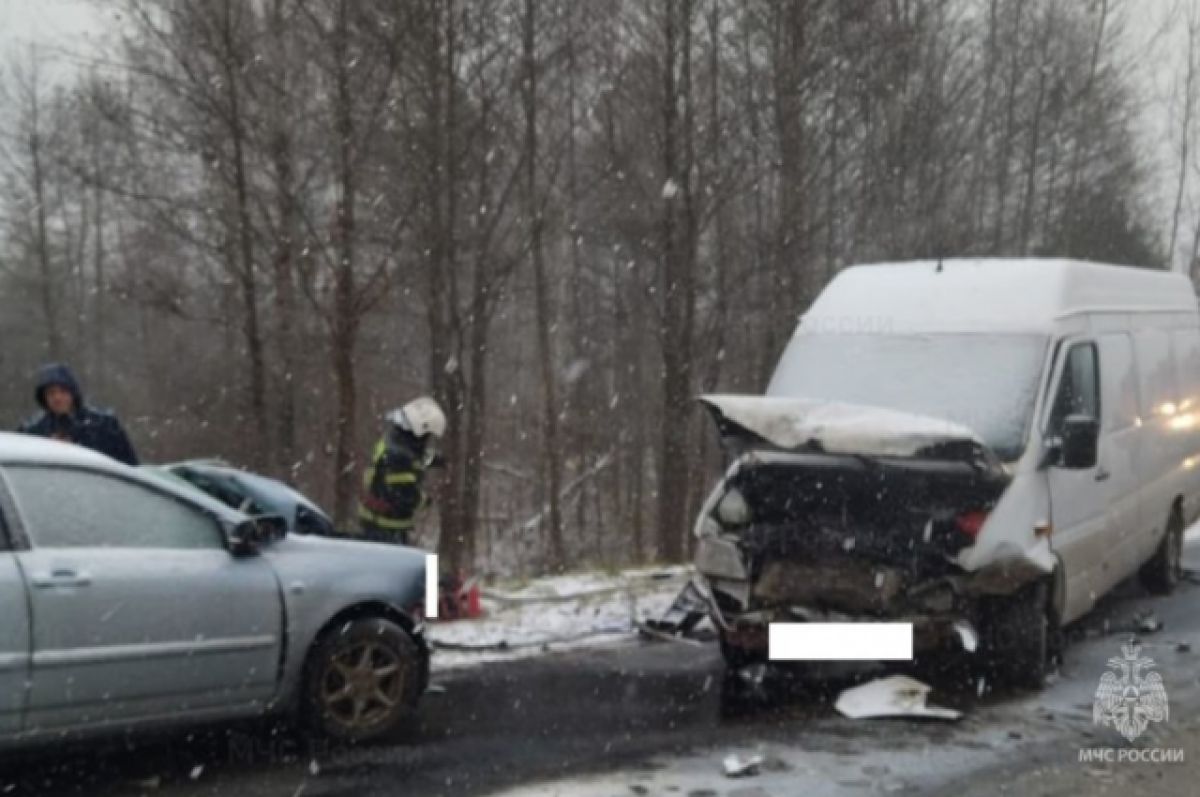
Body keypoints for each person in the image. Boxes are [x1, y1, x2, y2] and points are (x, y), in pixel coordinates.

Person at [357, 397, 446, 546]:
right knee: (421, 565)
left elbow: (413, 461)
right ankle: (434, 570)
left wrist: (433, 460)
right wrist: (425, 500)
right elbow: (406, 497)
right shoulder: (400, 457)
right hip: (387, 528)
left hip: (375, 522)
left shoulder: (392, 441)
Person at [17, 363, 139, 466]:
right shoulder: (32, 431)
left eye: (63, 391)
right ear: (43, 397)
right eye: (51, 393)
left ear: (73, 393)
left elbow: (129, 468)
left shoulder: (103, 425)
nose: (57, 398)